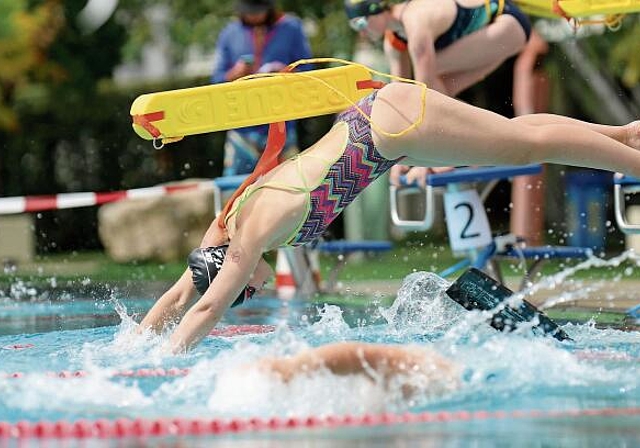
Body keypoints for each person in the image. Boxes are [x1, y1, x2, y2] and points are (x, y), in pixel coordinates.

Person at [138, 75, 640, 353]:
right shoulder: (228, 220)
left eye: (244, 287)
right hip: (385, 131)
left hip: (391, 130)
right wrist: (136, 344)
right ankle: (622, 136)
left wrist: (165, 362)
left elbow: (205, 308)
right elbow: (184, 292)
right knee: (511, 136)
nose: (252, 289)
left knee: (521, 144)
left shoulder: (250, 233)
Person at [344, 0, 531, 97]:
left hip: (507, 23)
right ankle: (463, 150)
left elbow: (425, 94)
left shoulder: (415, 21)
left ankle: (448, 153)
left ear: (377, 10)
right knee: (440, 90)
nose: (361, 33)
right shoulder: (393, 40)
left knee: (429, 81)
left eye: (359, 24)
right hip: (490, 38)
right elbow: (398, 91)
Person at [211, 0, 312, 175]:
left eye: (258, 10)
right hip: (242, 131)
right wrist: (235, 73)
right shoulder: (229, 33)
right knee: (236, 192)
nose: (253, 15)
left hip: (282, 126)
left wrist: (285, 72)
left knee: (290, 188)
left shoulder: (291, 29)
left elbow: (309, 71)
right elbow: (216, 81)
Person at [510, 30, 550, 245]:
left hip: (530, 127)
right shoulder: (526, 64)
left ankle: (528, 238)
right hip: (529, 128)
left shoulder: (528, 66)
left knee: (529, 186)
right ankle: (525, 238)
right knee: (527, 185)